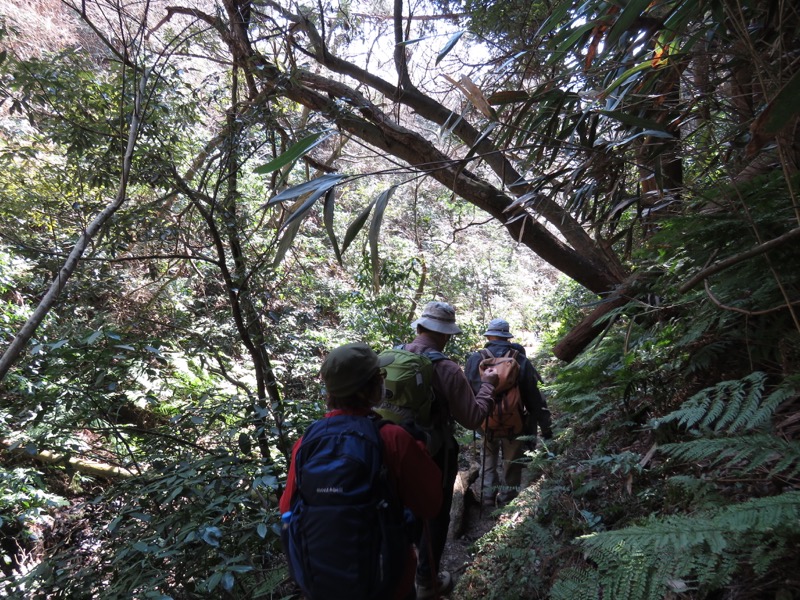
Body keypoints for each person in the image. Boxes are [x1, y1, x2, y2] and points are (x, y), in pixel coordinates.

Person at [279, 342, 443, 600]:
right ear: (370, 389)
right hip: (388, 584)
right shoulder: (392, 438)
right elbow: (430, 504)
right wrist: (419, 447)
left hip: (324, 583)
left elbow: (287, 507)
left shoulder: (307, 442)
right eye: (379, 377)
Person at [403, 301, 498, 599]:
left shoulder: (388, 357)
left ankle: (400, 574)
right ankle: (427, 582)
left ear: (419, 327)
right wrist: (488, 386)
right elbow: (472, 417)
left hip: (392, 449)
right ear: (445, 335)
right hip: (434, 455)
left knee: (403, 509)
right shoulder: (445, 368)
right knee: (436, 514)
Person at [465, 318, 553, 507]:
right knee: (512, 462)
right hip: (515, 421)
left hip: (485, 420)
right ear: (507, 337)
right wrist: (546, 428)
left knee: (488, 458)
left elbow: (468, 392)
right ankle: (506, 502)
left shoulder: (475, 359)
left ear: (488, 336)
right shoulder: (519, 358)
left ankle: (487, 497)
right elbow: (533, 398)